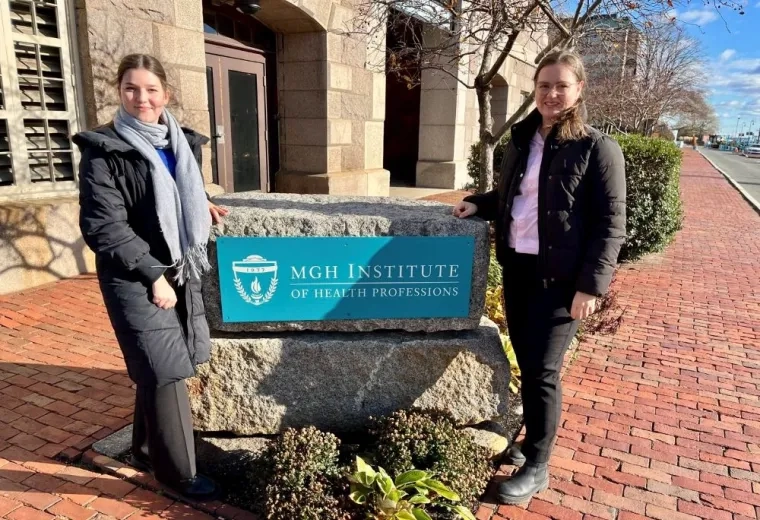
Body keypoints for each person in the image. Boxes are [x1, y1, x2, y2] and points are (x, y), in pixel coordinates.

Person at [453, 51, 626, 504]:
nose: (551, 94)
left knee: (544, 371)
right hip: (519, 270)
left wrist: (592, 286)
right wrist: (479, 203)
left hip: (563, 281)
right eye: (544, 85)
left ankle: (538, 464)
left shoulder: (597, 148)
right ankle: (530, 444)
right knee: (527, 363)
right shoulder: (523, 137)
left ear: (579, 90)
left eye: (561, 86)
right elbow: (516, 196)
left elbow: (611, 224)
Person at [74, 54, 229, 501]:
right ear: (119, 92)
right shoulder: (104, 149)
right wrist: (153, 274)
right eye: (130, 89)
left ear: (166, 94)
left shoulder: (181, 141)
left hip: (180, 267)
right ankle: (177, 474)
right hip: (135, 274)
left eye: (150, 89)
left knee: (160, 363)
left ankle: (144, 448)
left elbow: (178, 185)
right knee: (166, 370)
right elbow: (104, 225)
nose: (141, 98)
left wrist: (202, 202)